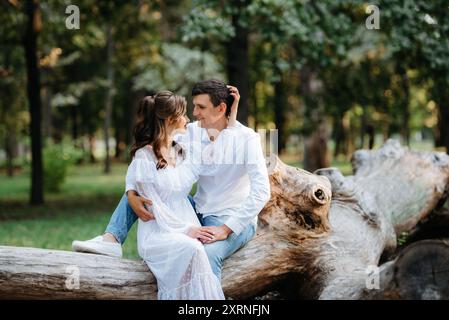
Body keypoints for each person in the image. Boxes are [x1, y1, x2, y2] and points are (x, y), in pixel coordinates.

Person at [72, 79, 270, 283]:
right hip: (197, 209)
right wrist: (131, 193)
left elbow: (261, 191)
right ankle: (111, 239)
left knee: (207, 255)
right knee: (145, 190)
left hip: (230, 217)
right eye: (194, 106)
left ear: (221, 108)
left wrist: (226, 229)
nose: (194, 113)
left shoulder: (248, 139)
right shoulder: (193, 131)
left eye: (201, 107)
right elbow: (149, 154)